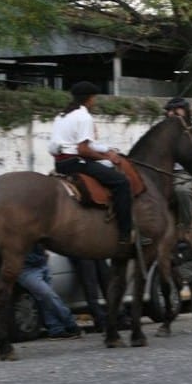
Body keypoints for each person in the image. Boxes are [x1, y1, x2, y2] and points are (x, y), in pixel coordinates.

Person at [49, 81, 133, 254]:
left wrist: (107, 151)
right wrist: (107, 157)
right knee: (121, 181)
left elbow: (87, 144)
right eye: (94, 98)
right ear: (89, 99)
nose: (94, 102)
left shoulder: (62, 115)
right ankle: (125, 233)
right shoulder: (84, 117)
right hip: (75, 162)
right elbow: (83, 149)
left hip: (60, 163)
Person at [163, 97, 192, 257]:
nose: (172, 113)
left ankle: (185, 230)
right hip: (163, 171)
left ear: (186, 111)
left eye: (176, 110)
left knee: (182, 190)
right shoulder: (163, 130)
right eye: (169, 110)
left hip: (185, 172)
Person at [17, 244, 82, 340]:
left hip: (42, 264)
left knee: (45, 300)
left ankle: (55, 329)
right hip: (26, 269)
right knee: (48, 296)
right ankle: (70, 323)